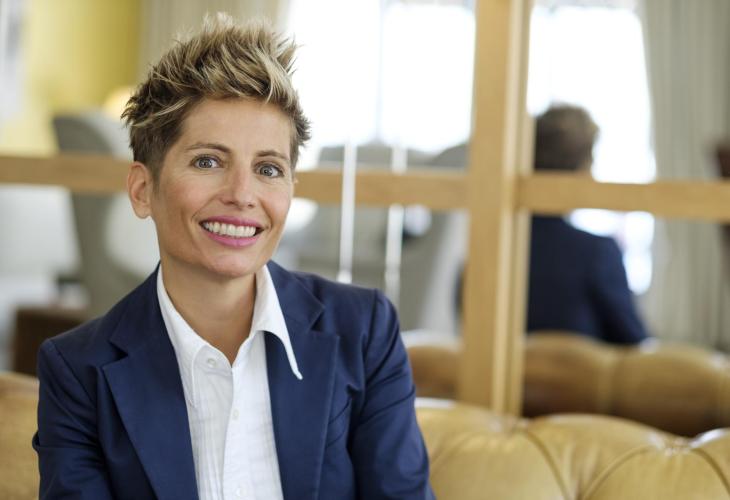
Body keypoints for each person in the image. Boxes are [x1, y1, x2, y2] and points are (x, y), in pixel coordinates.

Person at [33, 15, 434, 500]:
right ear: (142, 190)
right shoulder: (78, 371)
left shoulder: (364, 333)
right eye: (208, 161)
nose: (242, 194)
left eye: (268, 168)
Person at [527, 104, 648, 344]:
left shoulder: (492, 248)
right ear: (581, 172)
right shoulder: (597, 253)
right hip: (574, 370)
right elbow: (634, 341)